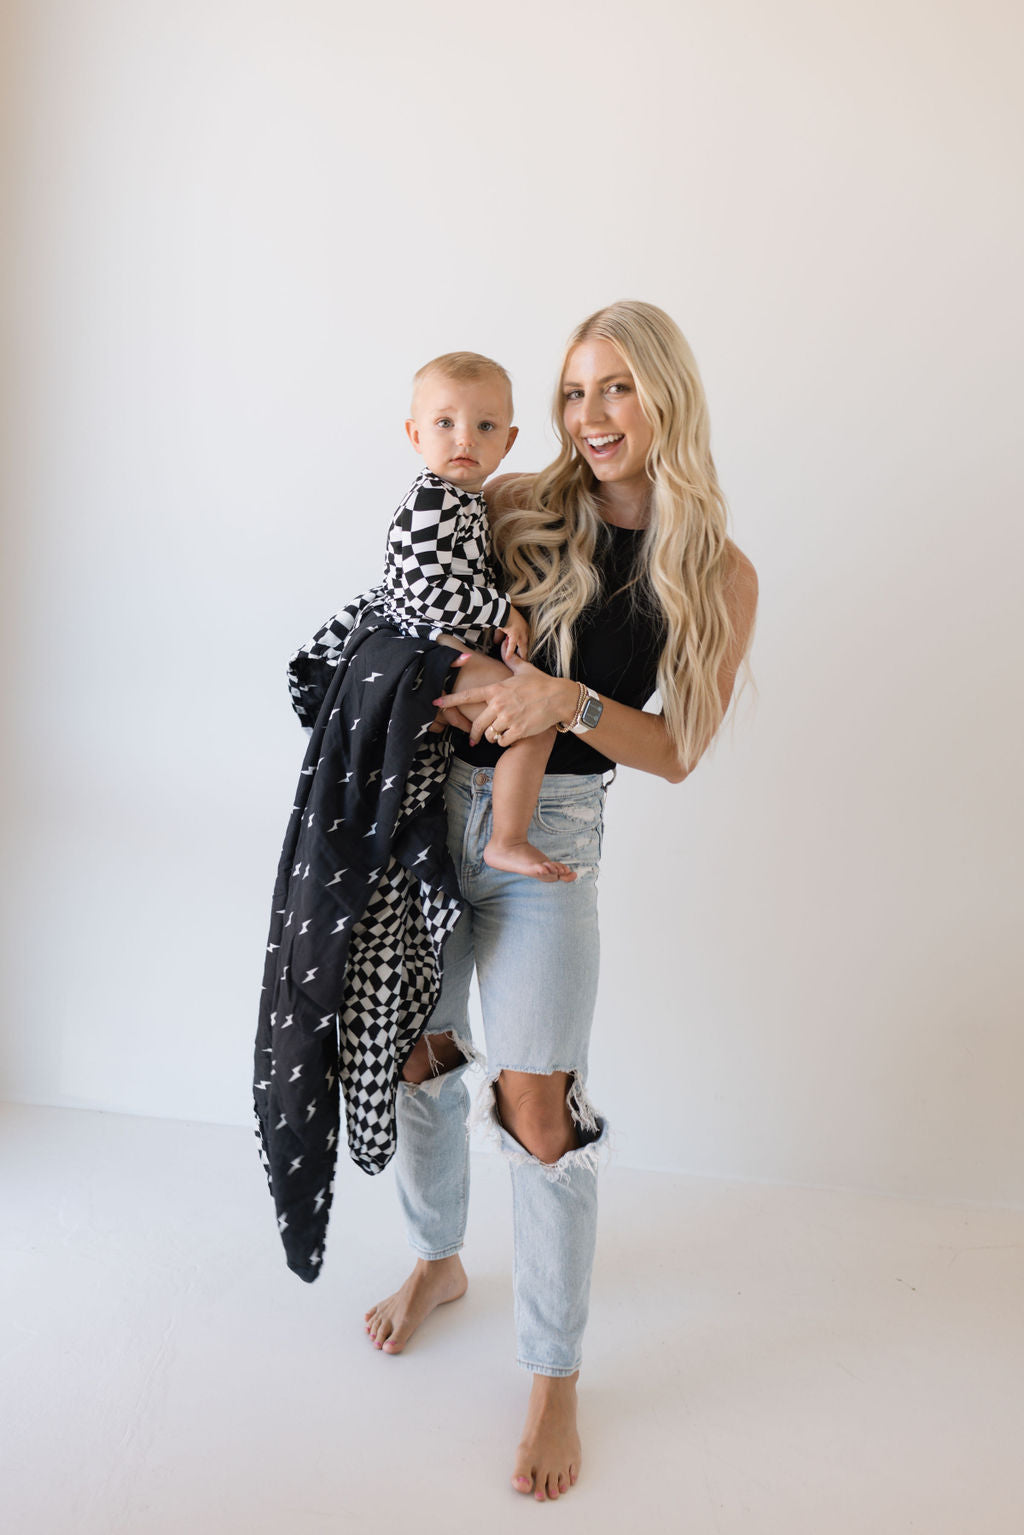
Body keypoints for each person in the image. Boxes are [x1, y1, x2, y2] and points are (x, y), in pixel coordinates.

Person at [363, 300, 759, 1501]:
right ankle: (438, 1259)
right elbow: (418, 603)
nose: (590, 416)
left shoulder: (718, 569)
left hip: (557, 839)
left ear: (667, 400)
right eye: (577, 390)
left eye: (619, 390)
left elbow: (679, 747)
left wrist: (565, 704)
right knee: (423, 1051)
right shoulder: (522, 503)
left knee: (539, 1103)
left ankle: (552, 1373)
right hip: (437, 815)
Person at [348, 351, 577, 882]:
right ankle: (507, 840)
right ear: (414, 434)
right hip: (429, 647)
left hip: (442, 646)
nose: (465, 439)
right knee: (533, 723)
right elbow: (429, 590)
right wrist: (504, 610)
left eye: (485, 425)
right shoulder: (434, 501)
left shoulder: (463, 500)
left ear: (509, 442)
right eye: (445, 423)